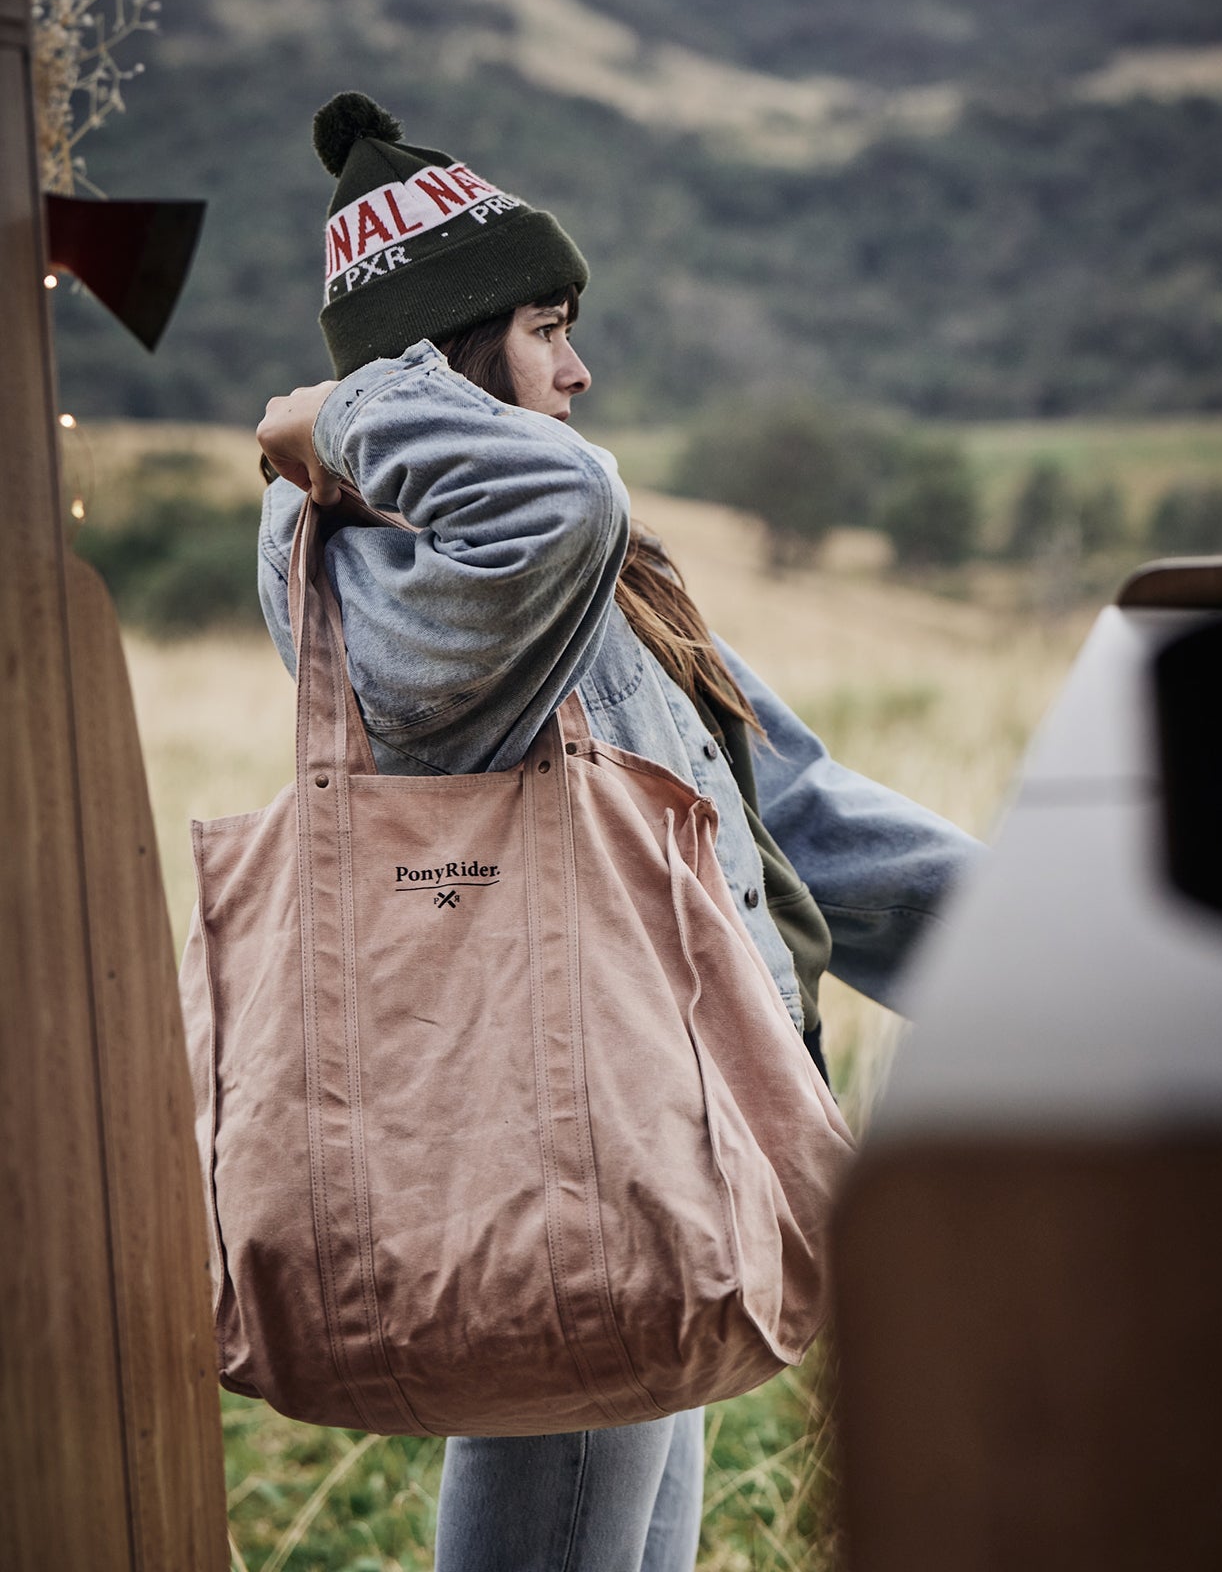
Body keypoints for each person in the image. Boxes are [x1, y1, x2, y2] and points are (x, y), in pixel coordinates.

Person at [256, 91, 980, 1572]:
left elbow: (795, 805)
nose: (579, 371)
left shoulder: (583, 572)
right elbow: (560, 498)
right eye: (542, 327)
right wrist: (352, 410)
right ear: (444, 359)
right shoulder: (396, 568)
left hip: (670, 1130)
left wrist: (1066, 953)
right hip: (563, 1151)